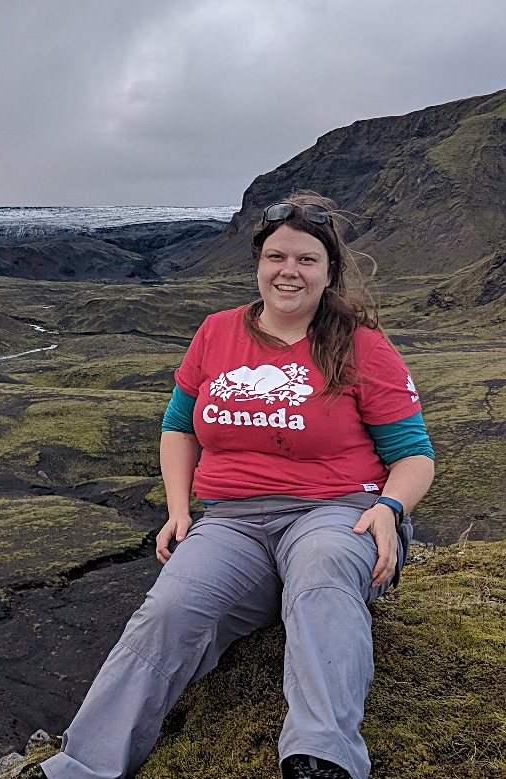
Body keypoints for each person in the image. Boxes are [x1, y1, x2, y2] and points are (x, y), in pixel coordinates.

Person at [41, 192, 435, 779]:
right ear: (258, 263)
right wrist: (179, 510)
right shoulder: (217, 333)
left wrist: (389, 507)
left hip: (338, 511)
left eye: (306, 260)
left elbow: (414, 455)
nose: (289, 271)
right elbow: (179, 427)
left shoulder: (362, 346)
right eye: (277, 257)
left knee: (323, 566)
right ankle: (82, 767)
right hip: (233, 520)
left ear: (329, 272)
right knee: (171, 609)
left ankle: (323, 757)